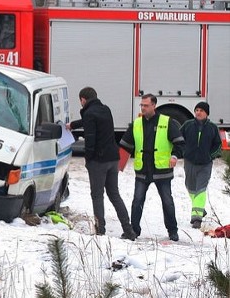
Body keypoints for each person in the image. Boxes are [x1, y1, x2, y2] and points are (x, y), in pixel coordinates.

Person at [67, 87, 136, 240]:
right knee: (114, 194)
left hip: (99, 161)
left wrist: (88, 159)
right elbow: (88, 120)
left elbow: (90, 139)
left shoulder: (89, 113)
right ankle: (128, 229)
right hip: (113, 158)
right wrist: (72, 125)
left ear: (83, 99)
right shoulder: (105, 109)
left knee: (97, 196)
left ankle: (100, 229)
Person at [119, 93, 184, 241]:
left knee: (167, 202)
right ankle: (133, 231)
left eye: (146, 105)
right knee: (137, 202)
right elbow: (125, 146)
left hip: (162, 171)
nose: (143, 108)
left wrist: (174, 156)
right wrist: (117, 164)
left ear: (154, 105)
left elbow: (179, 142)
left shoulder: (167, 122)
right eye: (141, 105)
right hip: (143, 171)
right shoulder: (136, 124)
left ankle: (172, 231)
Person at [179, 101, 223, 229]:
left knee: (201, 189)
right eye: (196, 110)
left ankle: (197, 218)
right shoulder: (187, 125)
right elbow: (179, 139)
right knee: (190, 187)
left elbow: (218, 145)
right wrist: (183, 152)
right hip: (189, 162)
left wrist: (211, 156)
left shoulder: (213, 128)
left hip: (205, 164)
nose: (198, 112)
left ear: (206, 113)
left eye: (201, 110)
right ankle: (199, 209)